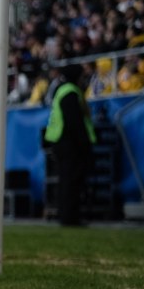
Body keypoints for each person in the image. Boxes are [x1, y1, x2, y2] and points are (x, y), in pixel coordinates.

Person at [43, 63, 96, 226]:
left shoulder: (63, 91)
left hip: (62, 142)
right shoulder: (70, 92)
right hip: (68, 144)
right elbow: (75, 122)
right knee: (70, 182)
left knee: (67, 181)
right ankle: (69, 217)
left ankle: (68, 216)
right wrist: (84, 142)